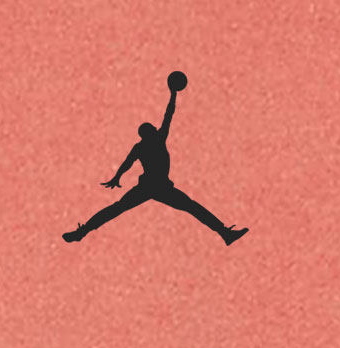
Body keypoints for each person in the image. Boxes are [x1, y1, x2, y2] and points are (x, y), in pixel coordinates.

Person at [62, 72, 247, 245]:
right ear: (148, 133)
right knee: (191, 207)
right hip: (156, 187)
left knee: (117, 208)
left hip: (154, 186)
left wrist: (117, 177)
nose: (155, 128)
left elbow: (128, 163)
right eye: (151, 128)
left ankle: (81, 232)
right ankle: (225, 233)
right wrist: (173, 94)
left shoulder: (143, 145)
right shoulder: (156, 140)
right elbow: (168, 115)